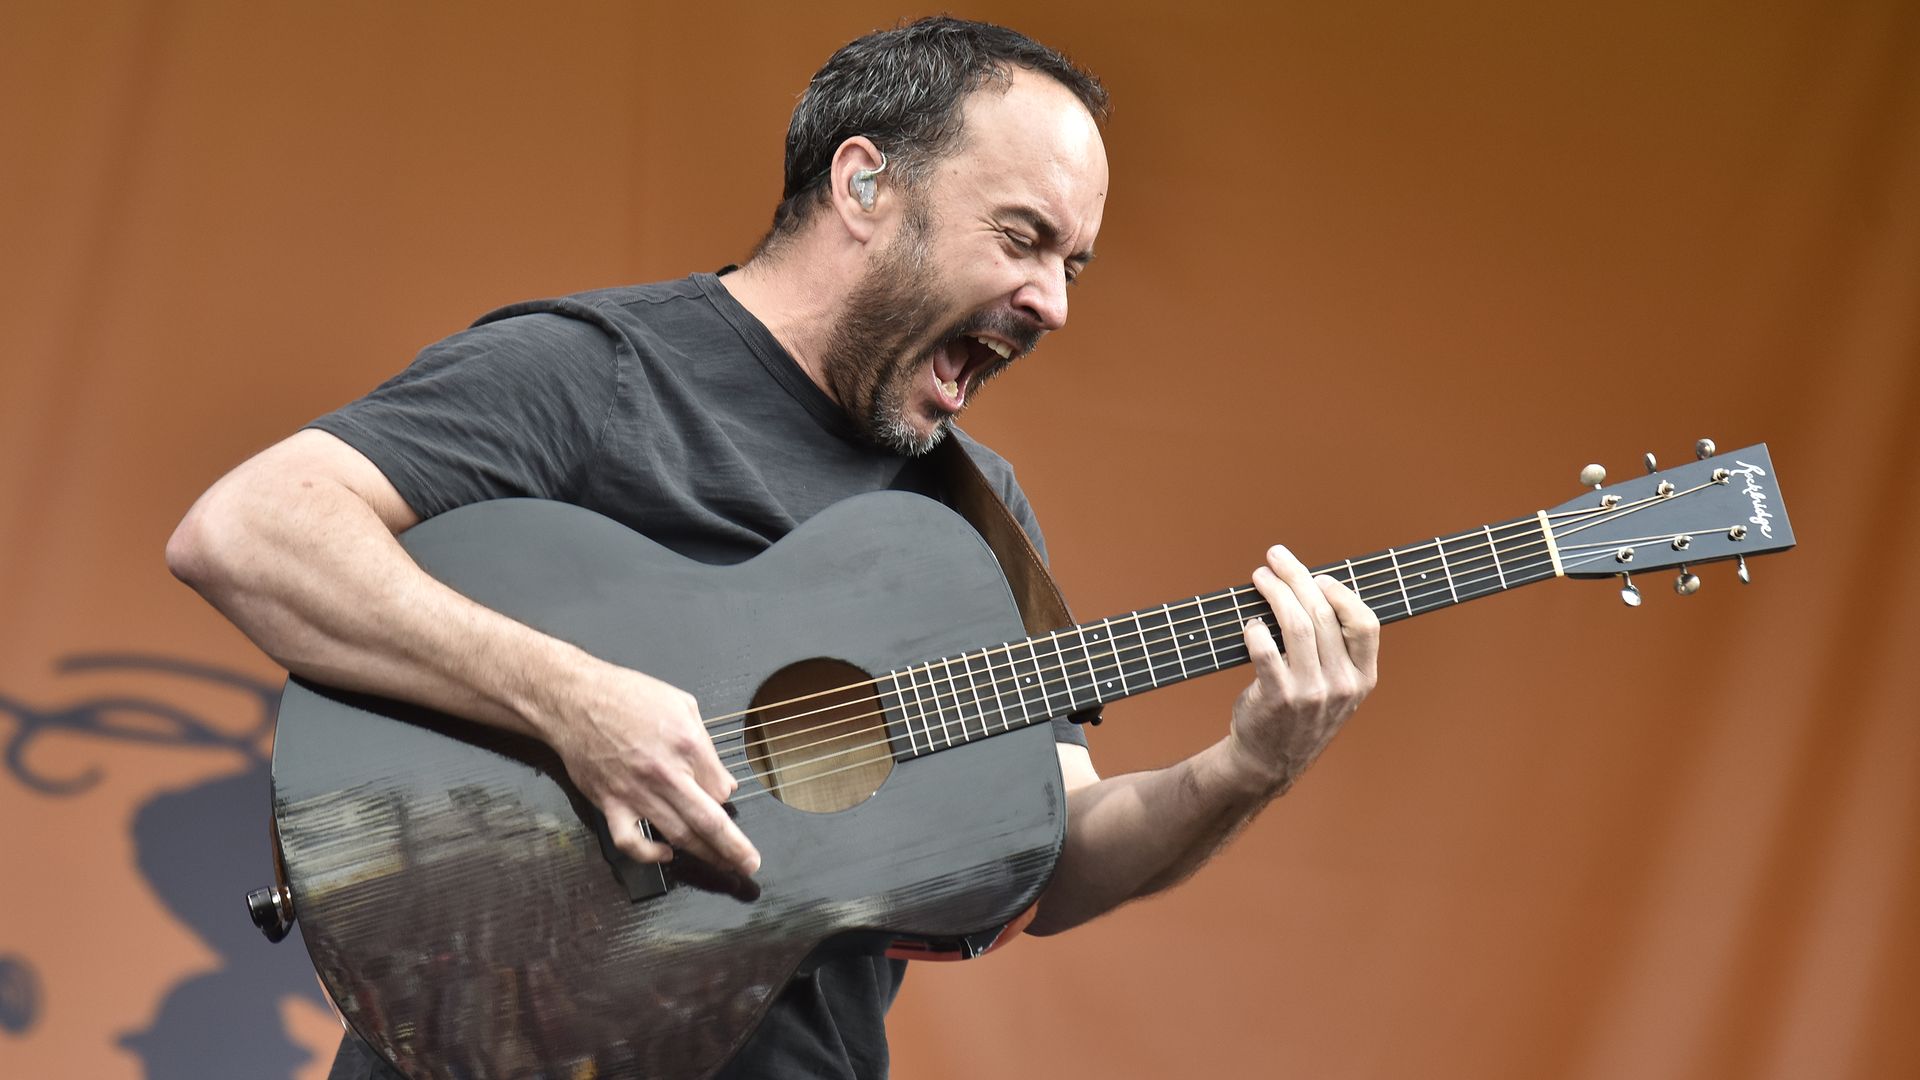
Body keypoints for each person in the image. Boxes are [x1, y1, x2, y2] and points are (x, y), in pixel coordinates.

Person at [166, 16, 1380, 1080]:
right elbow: (249, 529)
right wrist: (578, 702)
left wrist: (1246, 768)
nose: (1054, 301)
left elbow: (1050, 855)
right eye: (1022, 238)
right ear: (864, 187)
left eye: (1072, 264)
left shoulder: (975, 510)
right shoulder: (600, 372)